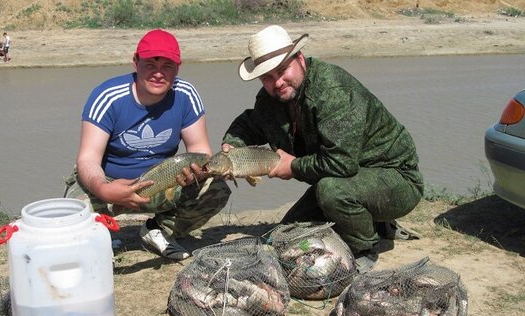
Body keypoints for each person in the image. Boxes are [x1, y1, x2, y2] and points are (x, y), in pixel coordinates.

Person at [222, 25, 424, 273]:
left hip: (396, 179)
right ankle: (375, 222)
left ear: (299, 59)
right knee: (287, 232)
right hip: (349, 181)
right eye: (267, 77)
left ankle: (364, 248)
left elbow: (341, 164)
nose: (278, 82)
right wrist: (231, 149)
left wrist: (292, 166)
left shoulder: (332, 90)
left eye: (282, 70)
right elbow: (250, 123)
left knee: (331, 191)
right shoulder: (270, 99)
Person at [64, 29, 231, 260]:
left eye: (167, 66)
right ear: (136, 62)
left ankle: (158, 229)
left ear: (178, 68)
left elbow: (201, 152)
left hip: (164, 182)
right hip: (109, 182)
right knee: (74, 216)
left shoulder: (186, 95)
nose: (158, 74)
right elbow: (87, 159)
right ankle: (99, 236)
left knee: (216, 189)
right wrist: (104, 189)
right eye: (150, 64)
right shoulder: (107, 96)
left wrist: (194, 174)